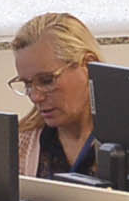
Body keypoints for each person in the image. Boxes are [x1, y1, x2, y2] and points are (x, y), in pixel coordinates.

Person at [12, 12, 101, 179]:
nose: (35, 97)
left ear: (88, 66)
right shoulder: (21, 145)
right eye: (27, 84)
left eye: (47, 81)